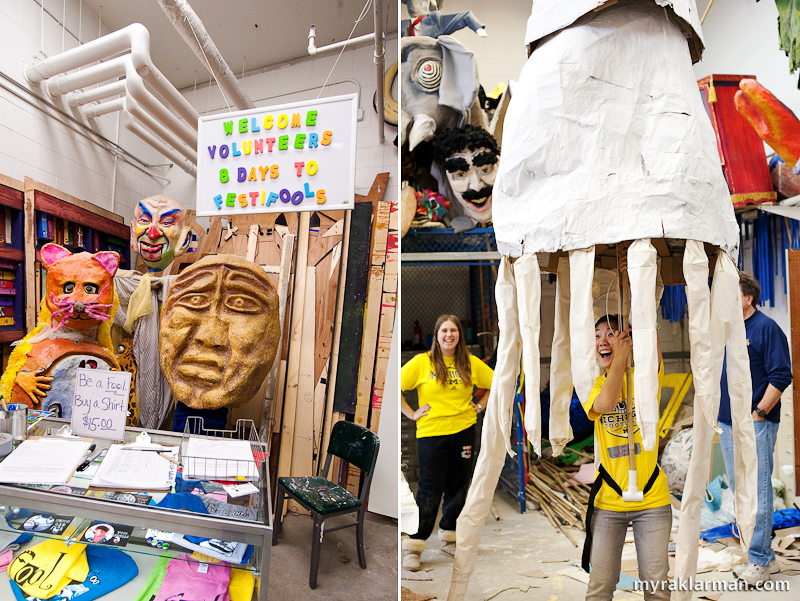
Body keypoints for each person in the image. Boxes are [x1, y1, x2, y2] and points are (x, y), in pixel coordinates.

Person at [582, 314, 670, 601]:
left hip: (652, 501)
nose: (603, 341)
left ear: (628, 339)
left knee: (656, 584)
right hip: (608, 503)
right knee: (601, 585)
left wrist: (635, 285)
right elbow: (607, 403)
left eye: (611, 334)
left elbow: (650, 337)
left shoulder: (646, 379)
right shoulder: (593, 387)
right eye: (597, 335)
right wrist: (619, 356)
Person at [400, 315, 493, 572]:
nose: (449, 334)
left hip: (463, 431)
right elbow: (394, 385)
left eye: (453, 330)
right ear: (436, 335)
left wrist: (480, 406)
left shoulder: (470, 363)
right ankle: (414, 544)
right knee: (429, 490)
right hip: (431, 434)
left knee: (458, 486)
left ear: (459, 335)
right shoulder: (422, 363)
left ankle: (449, 537)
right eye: (444, 330)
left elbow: (495, 382)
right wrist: (411, 413)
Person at [719, 272, 792, 586]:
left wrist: (759, 413)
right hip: (728, 423)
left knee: (759, 493)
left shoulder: (766, 328)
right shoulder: (729, 331)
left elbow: (781, 376)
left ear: (747, 298)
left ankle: (759, 562)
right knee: (741, 493)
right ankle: (766, 557)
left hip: (755, 424)